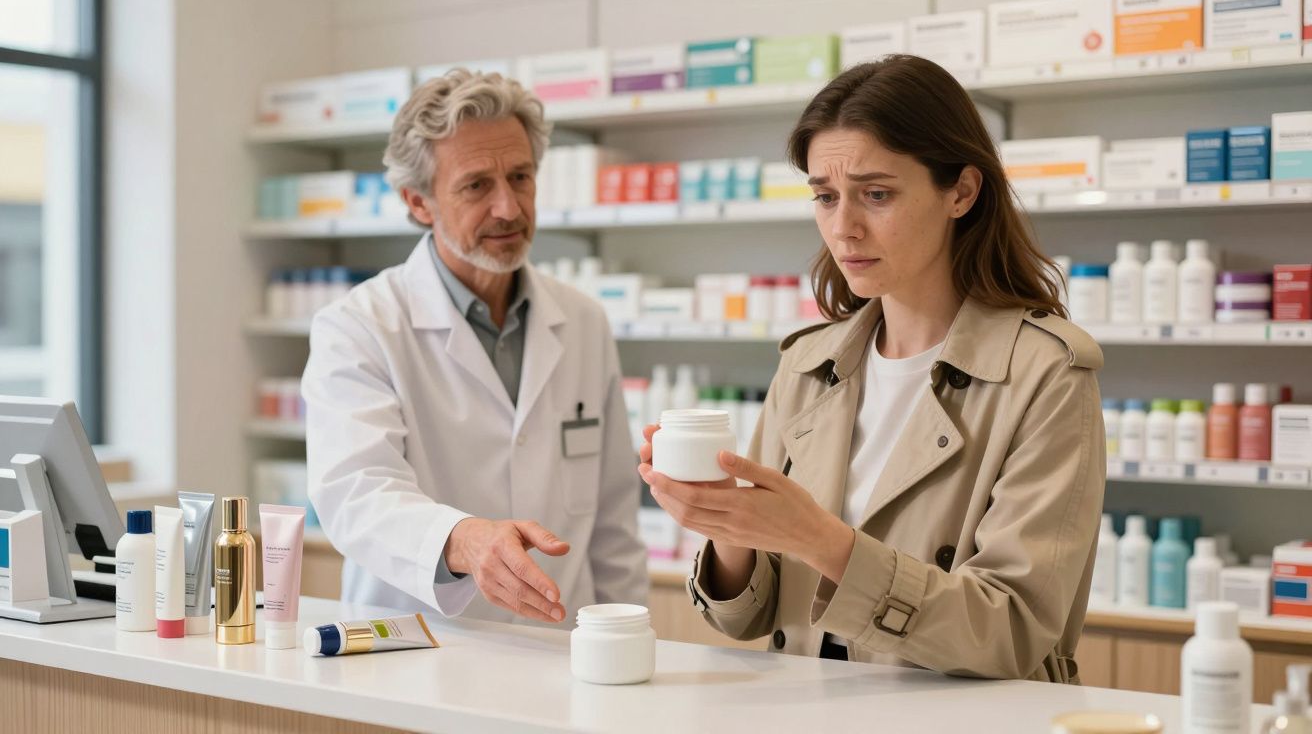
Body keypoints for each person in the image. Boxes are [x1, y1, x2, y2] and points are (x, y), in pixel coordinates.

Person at [638, 55, 1105, 681]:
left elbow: (1010, 632)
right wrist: (728, 524)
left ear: (962, 192)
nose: (843, 228)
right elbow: (748, 619)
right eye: (825, 197)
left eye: (876, 194)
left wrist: (820, 541)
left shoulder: (1045, 375)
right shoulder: (808, 365)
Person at [304, 69, 646, 626]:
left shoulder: (583, 320)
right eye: (476, 186)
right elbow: (355, 493)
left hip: (567, 652)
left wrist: (629, 640)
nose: (508, 208)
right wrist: (464, 540)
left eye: (520, 177)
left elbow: (613, 524)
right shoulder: (359, 326)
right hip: (420, 646)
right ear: (418, 202)